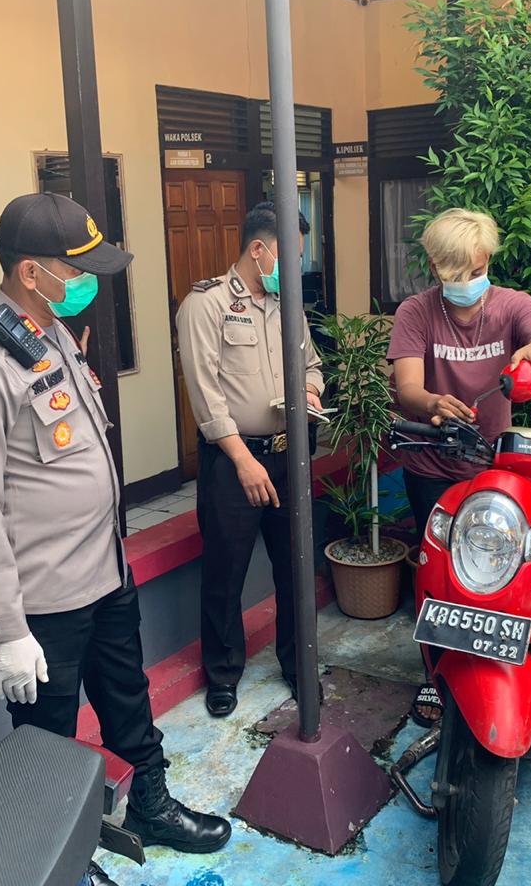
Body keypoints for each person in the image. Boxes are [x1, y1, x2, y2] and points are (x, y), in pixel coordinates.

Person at [0, 193, 229, 885]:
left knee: (129, 700)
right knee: (46, 743)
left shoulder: (48, 332)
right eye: (79, 270)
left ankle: (150, 805)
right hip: (42, 602)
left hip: (103, 572)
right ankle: (62, 863)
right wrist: (8, 629)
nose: (91, 282)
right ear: (31, 272)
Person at [175, 201, 326, 718]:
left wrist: (311, 389)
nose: (298, 266)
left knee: (295, 568)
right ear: (259, 250)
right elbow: (205, 395)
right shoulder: (206, 305)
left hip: (289, 456)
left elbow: (311, 363)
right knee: (225, 572)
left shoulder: (289, 304)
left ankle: (298, 664)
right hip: (233, 462)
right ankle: (222, 675)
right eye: (292, 256)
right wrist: (243, 460)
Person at [388, 207, 531, 541]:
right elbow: (407, 386)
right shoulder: (415, 312)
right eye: (457, 276)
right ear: (434, 267)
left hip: (496, 460)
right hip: (431, 465)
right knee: (439, 554)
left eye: (477, 272)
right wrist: (432, 403)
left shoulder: (513, 305)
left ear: (488, 261)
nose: (468, 283)